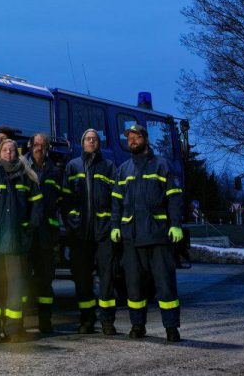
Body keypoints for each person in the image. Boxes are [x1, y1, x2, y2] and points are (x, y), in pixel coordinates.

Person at [111, 123, 185, 342]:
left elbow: (173, 197)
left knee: (165, 285)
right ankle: (137, 326)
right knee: (133, 286)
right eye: (129, 138)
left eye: (136, 137)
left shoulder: (162, 165)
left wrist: (175, 224)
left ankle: (171, 328)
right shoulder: (123, 169)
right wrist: (115, 225)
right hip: (131, 237)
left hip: (158, 235)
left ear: (145, 139)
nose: (132, 140)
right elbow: (116, 202)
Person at [0, 138, 43, 342]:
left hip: (16, 244)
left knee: (15, 289)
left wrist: (30, 227)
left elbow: (37, 206)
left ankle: (13, 329)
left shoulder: (27, 176)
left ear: (17, 153)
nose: (9, 153)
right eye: (5, 150)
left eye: (12, 150)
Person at [62, 128, 119, 335]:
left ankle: (107, 322)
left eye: (95, 139)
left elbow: (117, 199)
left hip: (103, 233)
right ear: (82, 142)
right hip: (80, 234)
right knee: (82, 279)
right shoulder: (72, 166)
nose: (92, 141)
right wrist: (71, 224)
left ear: (99, 143)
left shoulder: (109, 167)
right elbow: (65, 200)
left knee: (107, 278)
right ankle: (86, 320)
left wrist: (113, 225)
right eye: (88, 138)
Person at [26, 132, 63, 333]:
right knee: (23, 280)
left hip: (47, 236)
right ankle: (19, 325)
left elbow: (60, 201)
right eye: (36, 144)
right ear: (31, 146)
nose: (39, 148)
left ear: (48, 148)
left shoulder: (55, 172)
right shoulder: (22, 168)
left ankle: (45, 322)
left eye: (43, 145)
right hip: (28, 234)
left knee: (45, 281)